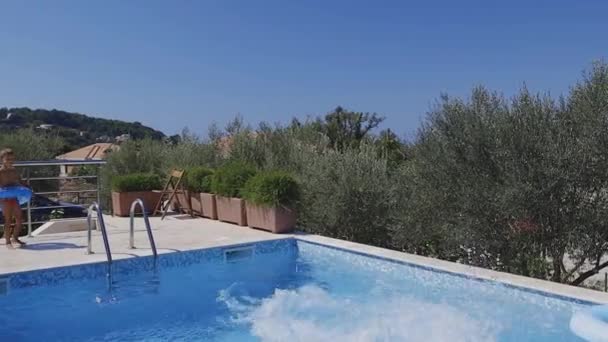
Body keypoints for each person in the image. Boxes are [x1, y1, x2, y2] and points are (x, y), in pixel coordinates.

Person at [0, 148, 27, 248]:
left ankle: (15, 238)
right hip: (4, 198)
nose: (10, 161)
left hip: (14, 197)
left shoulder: (14, 170)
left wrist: (26, 186)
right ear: (2, 160)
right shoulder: (0, 172)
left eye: (12, 159)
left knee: (19, 218)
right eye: (7, 159)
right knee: (8, 220)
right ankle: (7, 242)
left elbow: (19, 181)